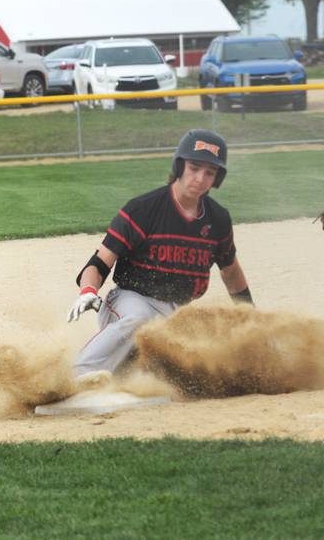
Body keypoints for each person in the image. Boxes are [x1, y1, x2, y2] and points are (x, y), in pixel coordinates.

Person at [67, 129, 253, 383]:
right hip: (130, 299)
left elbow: (231, 272)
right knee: (139, 319)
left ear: (217, 179)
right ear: (179, 166)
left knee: (202, 367)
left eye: (209, 172)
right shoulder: (143, 209)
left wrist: (251, 318)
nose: (200, 178)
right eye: (194, 167)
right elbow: (99, 262)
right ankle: (77, 374)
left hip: (176, 313)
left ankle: (124, 371)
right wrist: (88, 291)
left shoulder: (218, 219)